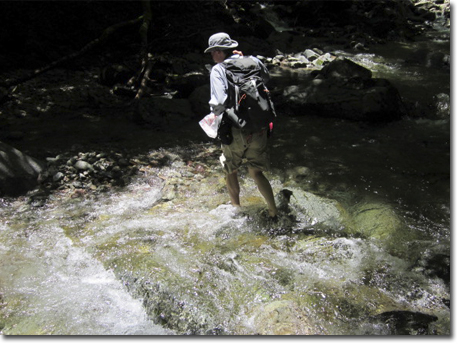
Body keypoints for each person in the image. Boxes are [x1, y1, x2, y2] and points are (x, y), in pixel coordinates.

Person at [205, 32, 278, 219]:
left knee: (231, 168)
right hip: (259, 126)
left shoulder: (218, 69)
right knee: (256, 172)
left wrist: (213, 114)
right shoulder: (253, 60)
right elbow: (266, 79)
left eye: (213, 52)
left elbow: (219, 102)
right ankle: (273, 211)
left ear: (220, 52)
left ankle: (237, 210)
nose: (213, 56)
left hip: (235, 128)